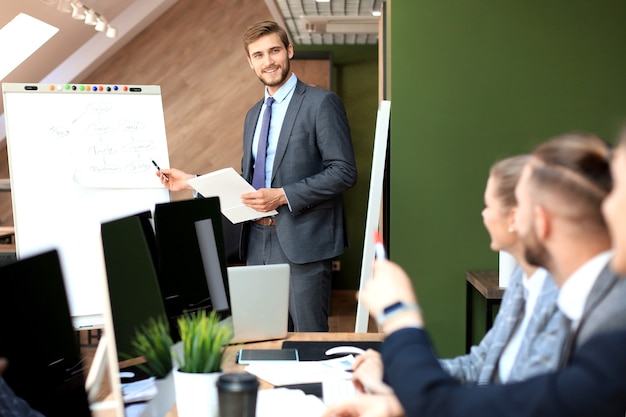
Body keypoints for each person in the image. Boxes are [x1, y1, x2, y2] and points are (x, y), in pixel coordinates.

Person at [322, 132, 626, 417]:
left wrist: (399, 315)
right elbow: (496, 387)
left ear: (538, 221)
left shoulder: (609, 323)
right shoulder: (567, 295)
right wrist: (395, 390)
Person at [157, 21, 357, 332]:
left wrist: (283, 194)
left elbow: (343, 171)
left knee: (308, 336)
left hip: (304, 241)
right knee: (265, 336)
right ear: (250, 62)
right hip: (257, 242)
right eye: (259, 55)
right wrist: (191, 181)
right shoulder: (254, 114)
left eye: (275, 50)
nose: (268, 61)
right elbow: (251, 181)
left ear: (289, 51)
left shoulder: (321, 103)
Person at [352, 155, 567, 396]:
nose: (484, 215)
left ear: (514, 217)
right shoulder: (523, 282)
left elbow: (519, 405)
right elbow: (477, 365)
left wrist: (399, 318)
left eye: (488, 206)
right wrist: (394, 371)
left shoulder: (563, 302)